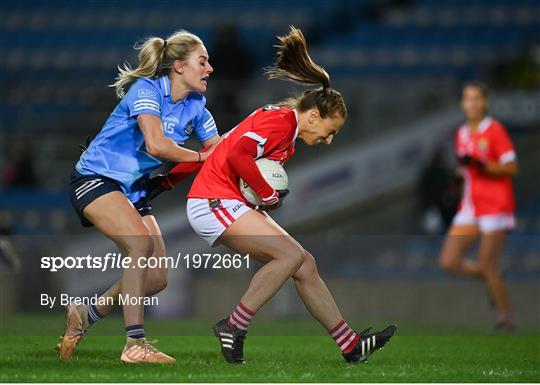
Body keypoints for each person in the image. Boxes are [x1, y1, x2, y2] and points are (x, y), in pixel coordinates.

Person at [166, 27, 396, 364]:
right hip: (213, 201)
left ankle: (349, 345)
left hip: (226, 200)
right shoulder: (281, 122)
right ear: (314, 115)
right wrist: (267, 194)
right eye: (330, 131)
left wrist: (169, 181)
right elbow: (235, 156)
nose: (329, 140)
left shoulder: (282, 128)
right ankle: (234, 325)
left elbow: (222, 145)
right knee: (288, 256)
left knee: (304, 263)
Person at [57, 30, 220, 364]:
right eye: (202, 61)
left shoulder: (198, 107)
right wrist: (203, 159)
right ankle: (135, 344)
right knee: (141, 245)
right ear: (178, 66)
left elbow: (221, 151)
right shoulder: (147, 90)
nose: (210, 68)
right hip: (95, 178)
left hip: (133, 189)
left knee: (157, 278)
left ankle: (86, 314)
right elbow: (157, 146)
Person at [439, 81, 518, 331]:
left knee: (487, 262)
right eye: (467, 99)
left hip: (495, 204)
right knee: (449, 261)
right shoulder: (462, 132)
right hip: (471, 206)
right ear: (462, 103)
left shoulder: (494, 130)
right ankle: (492, 279)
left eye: (476, 98)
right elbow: (467, 168)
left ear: (484, 102)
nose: (472, 103)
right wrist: (459, 174)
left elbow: (512, 167)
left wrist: (483, 166)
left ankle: (504, 318)